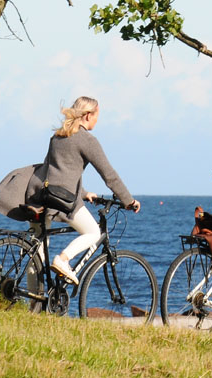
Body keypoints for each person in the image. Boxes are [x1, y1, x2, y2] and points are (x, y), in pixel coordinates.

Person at [27, 96, 139, 285]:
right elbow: (109, 175)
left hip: (41, 196)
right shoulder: (87, 140)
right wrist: (128, 200)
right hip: (62, 200)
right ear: (88, 116)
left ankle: (33, 305)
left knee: (37, 251)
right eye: (97, 116)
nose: (97, 120)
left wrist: (84, 193)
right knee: (94, 233)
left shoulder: (57, 136)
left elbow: (56, 170)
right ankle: (63, 259)